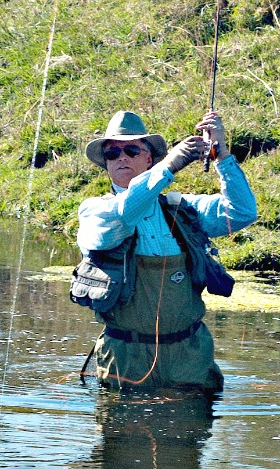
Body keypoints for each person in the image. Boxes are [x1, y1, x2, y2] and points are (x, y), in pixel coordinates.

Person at [74, 110, 257, 398]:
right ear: (106, 164)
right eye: (112, 153)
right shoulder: (96, 211)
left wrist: (221, 154)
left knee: (189, 441)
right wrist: (170, 165)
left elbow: (242, 212)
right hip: (126, 361)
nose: (121, 157)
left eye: (132, 149)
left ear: (149, 158)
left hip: (189, 359)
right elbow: (126, 213)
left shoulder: (183, 210)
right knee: (124, 443)